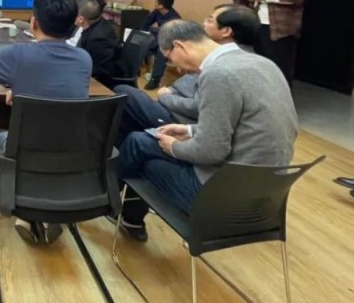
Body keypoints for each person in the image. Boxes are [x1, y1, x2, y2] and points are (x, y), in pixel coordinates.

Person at [116, 20, 298, 242]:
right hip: (266, 199)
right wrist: (190, 130)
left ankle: (109, 202)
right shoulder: (265, 64)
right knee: (140, 140)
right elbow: (246, 125)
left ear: (179, 46)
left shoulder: (217, 74)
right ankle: (125, 214)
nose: (177, 68)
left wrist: (174, 147)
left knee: (138, 150)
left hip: (220, 201)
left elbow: (210, 152)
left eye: (169, 58)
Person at [0, 0, 92, 245]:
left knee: (4, 137)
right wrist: (18, 87)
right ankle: (44, 209)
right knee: (44, 140)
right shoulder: (84, 59)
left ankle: (28, 211)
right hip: (71, 153)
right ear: (73, 26)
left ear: (34, 23)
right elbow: (57, 86)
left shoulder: (17, 55)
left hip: (24, 152)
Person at [114, 4, 260, 150]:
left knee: (123, 93)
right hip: (176, 107)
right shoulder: (220, 54)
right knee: (130, 119)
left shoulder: (226, 67)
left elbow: (200, 108)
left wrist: (166, 96)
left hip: (182, 120)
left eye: (210, 20)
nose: (204, 23)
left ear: (226, 31)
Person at [75, 0, 119, 87]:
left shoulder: (99, 39)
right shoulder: (96, 24)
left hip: (100, 84)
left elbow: (99, 71)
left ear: (80, 19)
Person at [141, 0, 180, 90]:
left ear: (161, 5)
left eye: (156, 1)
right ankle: (132, 69)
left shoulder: (174, 17)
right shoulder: (157, 12)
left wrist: (153, 30)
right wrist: (143, 34)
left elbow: (167, 33)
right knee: (141, 41)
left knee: (161, 51)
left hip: (172, 41)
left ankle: (155, 80)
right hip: (159, 37)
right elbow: (146, 23)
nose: (154, 2)